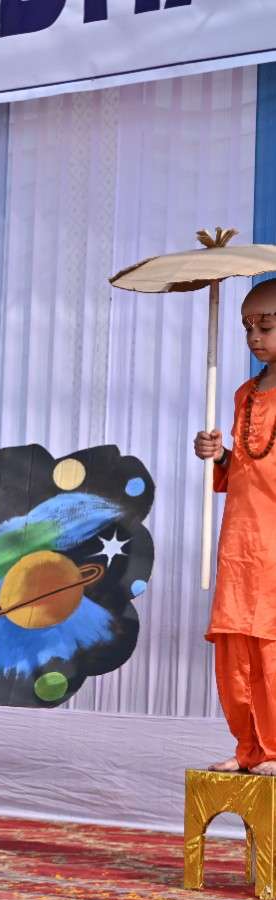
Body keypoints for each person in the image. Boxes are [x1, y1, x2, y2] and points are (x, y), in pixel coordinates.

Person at [195, 277, 276, 776]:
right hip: (239, 540)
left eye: (265, 325)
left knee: (269, 642)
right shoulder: (244, 394)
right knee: (234, 644)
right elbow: (244, 466)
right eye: (248, 327)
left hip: (273, 541)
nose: (254, 337)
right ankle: (250, 746)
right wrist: (219, 454)